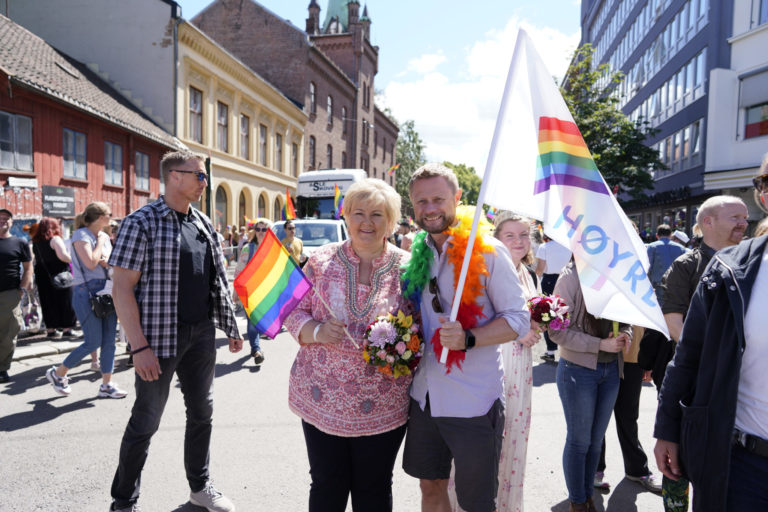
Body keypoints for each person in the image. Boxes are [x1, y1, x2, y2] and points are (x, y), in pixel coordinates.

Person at [107, 151, 243, 512]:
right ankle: (123, 501)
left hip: (201, 334)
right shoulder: (141, 222)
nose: (205, 182)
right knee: (146, 420)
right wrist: (138, 347)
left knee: (202, 413)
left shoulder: (202, 223)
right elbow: (121, 288)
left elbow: (215, 281)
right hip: (157, 338)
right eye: (199, 176)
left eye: (204, 176)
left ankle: (200, 487)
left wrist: (230, 326)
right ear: (174, 177)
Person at [401, 163, 535, 512]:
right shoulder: (419, 253)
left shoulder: (489, 251)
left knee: (476, 502)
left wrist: (469, 338)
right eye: (421, 201)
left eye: (438, 199)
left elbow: (519, 320)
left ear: (457, 198)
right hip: (425, 397)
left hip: (473, 400)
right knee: (431, 486)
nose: (430, 208)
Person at [284, 178, 411, 511]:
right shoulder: (320, 261)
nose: (366, 222)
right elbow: (292, 312)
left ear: (391, 222)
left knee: (374, 488)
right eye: (358, 213)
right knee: (327, 485)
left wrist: (401, 343)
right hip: (321, 397)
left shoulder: (410, 267)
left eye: (377, 214)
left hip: (383, 405)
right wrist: (315, 331)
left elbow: (422, 328)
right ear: (346, 216)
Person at [654, 182, 768, 509]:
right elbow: (683, 336)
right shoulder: (693, 266)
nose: (742, 225)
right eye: (734, 217)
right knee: (680, 475)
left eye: (745, 218)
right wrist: (669, 427)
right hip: (738, 453)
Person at [550, 262, 631, 512]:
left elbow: (626, 316)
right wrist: (599, 345)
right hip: (577, 371)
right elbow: (556, 332)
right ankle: (578, 501)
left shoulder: (616, 274)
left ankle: (587, 497)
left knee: (595, 442)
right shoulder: (570, 278)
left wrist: (625, 333)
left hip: (611, 372)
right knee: (579, 441)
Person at [44, 202, 125, 398]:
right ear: (100, 217)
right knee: (93, 341)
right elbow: (90, 263)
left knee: (109, 342)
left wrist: (107, 259)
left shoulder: (103, 237)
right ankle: (58, 372)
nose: (111, 219)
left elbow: (106, 261)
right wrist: (100, 245)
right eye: (109, 215)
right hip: (86, 292)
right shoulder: (81, 235)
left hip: (106, 290)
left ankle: (107, 384)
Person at [0, 208, 33, 383]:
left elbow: (28, 268)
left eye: (6, 218)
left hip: (9, 294)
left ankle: (2, 368)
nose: (3, 220)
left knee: (9, 332)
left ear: (12, 222)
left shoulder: (20, 242)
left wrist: (22, 289)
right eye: (0, 218)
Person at [233, 218, 272, 365]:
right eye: (258, 229)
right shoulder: (247, 249)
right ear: (254, 231)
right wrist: (236, 291)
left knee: (259, 320)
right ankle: (256, 349)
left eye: (264, 229)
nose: (261, 232)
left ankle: (255, 346)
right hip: (250, 291)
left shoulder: (272, 249)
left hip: (266, 291)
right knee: (252, 320)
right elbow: (239, 271)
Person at [31, 217, 78, 339]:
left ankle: (51, 330)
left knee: (47, 302)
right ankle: (67, 329)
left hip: (43, 276)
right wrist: (74, 259)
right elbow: (62, 256)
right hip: (59, 275)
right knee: (66, 301)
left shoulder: (35, 242)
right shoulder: (55, 239)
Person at [535, 235, 572, 362]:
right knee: (568, 313)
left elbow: (540, 269)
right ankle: (568, 351)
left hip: (549, 281)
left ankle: (550, 351)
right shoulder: (570, 246)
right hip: (568, 279)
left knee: (548, 315)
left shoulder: (544, 247)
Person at [646, 224, 687, 305]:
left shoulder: (652, 246)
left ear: (657, 235)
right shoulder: (681, 248)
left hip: (658, 285)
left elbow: (648, 266)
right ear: (670, 235)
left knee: (660, 311)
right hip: (676, 285)